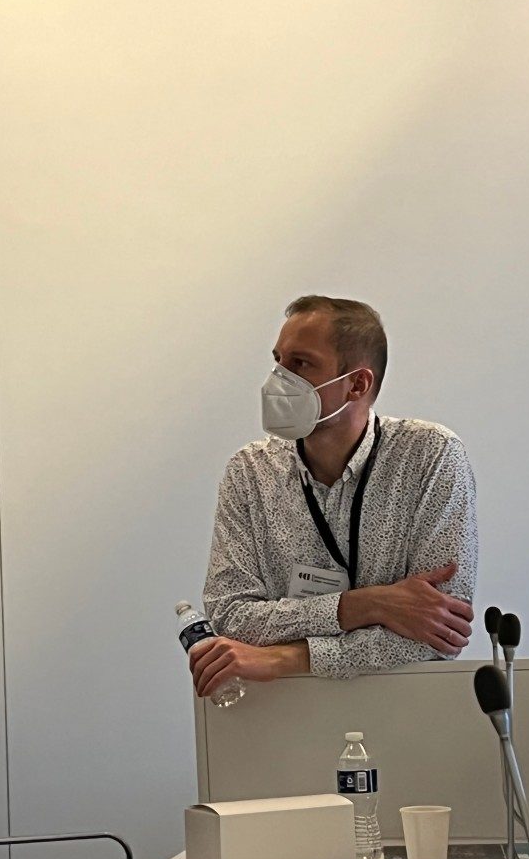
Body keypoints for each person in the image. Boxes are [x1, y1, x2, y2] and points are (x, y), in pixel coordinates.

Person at [191, 295, 478, 697]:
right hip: (278, 708)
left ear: (357, 384)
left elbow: (439, 633)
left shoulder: (430, 456)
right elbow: (230, 616)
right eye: (278, 360)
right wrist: (368, 605)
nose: (278, 378)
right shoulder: (250, 472)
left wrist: (288, 657)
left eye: (300, 363)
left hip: (402, 705)